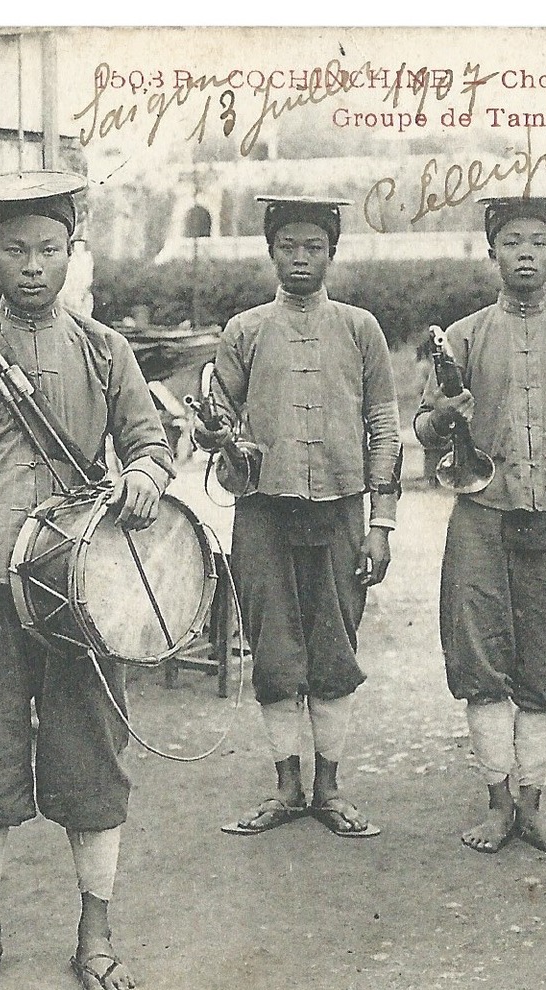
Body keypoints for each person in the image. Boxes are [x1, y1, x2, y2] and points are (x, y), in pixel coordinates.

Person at [0, 171, 174, 990]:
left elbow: (150, 443)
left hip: (80, 593)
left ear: (72, 252)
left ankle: (94, 934)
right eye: (15, 249)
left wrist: (141, 473)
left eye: (48, 249)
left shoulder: (104, 349)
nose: (32, 265)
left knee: (91, 756)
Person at [196, 195, 401, 840]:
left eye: (315, 246)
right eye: (290, 246)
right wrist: (217, 432)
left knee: (335, 648)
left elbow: (384, 426)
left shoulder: (361, 329)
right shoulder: (245, 329)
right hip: (263, 512)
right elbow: (214, 420)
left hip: (340, 510)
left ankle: (330, 790)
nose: (302, 258)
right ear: (271, 251)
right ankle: (286, 786)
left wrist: (382, 522)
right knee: (276, 650)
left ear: (332, 253)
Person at [414, 196, 546, 856]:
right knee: (477, 654)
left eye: (536, 241)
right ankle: (497, 802)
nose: (524, 253)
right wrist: (443, 415)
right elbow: (423, 430)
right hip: (480, 515)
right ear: (490, 253)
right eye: (509, 242)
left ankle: (533, 803)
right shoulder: (464, 337)